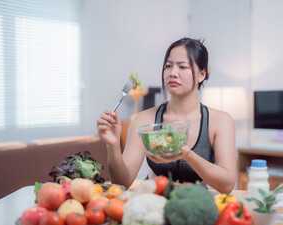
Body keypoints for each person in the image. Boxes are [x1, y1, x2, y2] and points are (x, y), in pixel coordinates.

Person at [97, 37, 236, 194]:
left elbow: (227, 184)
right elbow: (122, 182)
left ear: (201, 75)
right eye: (168, 66)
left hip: (196, 202)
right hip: (152, 199)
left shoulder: (220, 121)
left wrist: (186, 154)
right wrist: (113, 145)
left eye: (183, 67)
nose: (173, 73)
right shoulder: (144, 119)